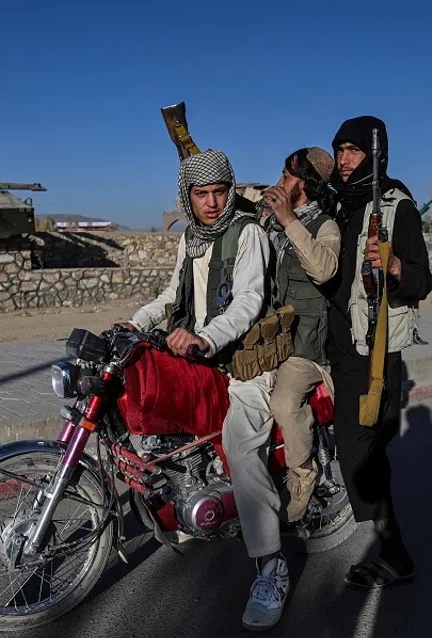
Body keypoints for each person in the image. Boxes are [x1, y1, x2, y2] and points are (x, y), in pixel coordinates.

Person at [120, 149, 290, 631]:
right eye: (201, 194)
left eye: (219, 192)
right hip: (198, 354)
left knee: (240, 444)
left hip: (244, 360)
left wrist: (207, 336)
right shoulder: (191, 238)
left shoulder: (248, 232)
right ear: (187, 197)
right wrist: (134, 323)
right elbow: (173, 294)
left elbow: (250, 299)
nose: (212, 203)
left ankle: (271, 566)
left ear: (230, 189)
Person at [324, 115, 432, 589]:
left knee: (358, 446)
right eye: (340, 150)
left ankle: (393, 551)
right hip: (335, 341)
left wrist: (391, 264)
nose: (345, 160)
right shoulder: (335, 202)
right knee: (362, 444)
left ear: (374, 154)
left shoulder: (396, 205)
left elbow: (422, 280)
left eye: (353, 151)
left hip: (375, 345)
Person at [261, 147, 341, 523]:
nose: (280, 182)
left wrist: (288, 218)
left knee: (284, 403)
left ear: (305, 185)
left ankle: (302, 472)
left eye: (288, 177)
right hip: (270, 336)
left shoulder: (325, 226)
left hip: (307, 343)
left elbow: (324, 270)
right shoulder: (270, 222)